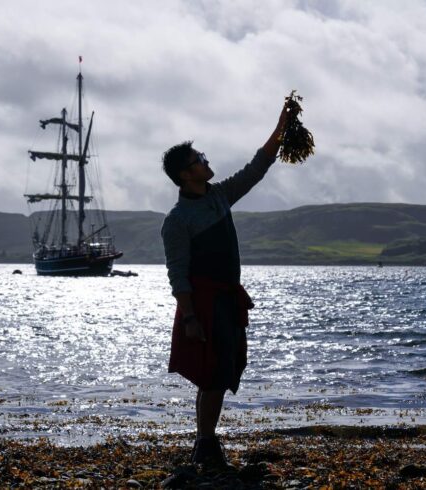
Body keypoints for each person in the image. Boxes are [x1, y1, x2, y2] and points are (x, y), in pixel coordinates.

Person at [160, 101, 289, 468]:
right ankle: (205, 444)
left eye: (201, 155)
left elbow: (256, 168)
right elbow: (178, 274)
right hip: (203, 302)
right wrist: (189, 317)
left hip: (226, 298)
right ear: (186, 175)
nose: (205, 160)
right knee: (212, 373)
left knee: (219, 372)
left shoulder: (218, 195)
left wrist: (281, 126)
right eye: (198, 159)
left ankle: (206, 442)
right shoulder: (177, 220)